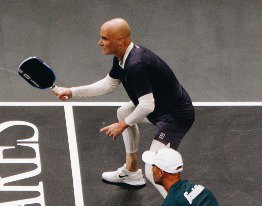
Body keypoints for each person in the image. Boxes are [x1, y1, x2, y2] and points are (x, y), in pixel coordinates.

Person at [53, 18, 195, 196]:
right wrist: (72, 91)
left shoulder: (136, 64)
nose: (100, 42)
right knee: (124, 111)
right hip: (160, 109)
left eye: (104, 38)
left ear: (120, 40)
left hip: (175, 118)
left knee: (155, 171)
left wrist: (122, 125)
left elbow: (146, 105)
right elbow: (108, 85)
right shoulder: (122, 58)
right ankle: (132, 171)